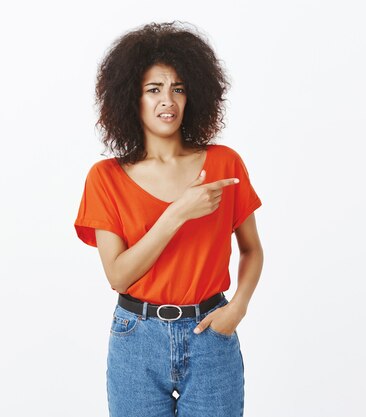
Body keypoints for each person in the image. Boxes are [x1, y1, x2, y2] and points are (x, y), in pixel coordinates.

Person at [73, 21, 264, 417]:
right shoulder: (105, 177)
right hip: (136, 340)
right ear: (131, 98)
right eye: (153, 89)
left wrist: (237, 310)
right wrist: (178, 212)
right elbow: (118, 276)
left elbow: (252, 250)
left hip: (211, 334)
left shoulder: (223, 164)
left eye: (178, 88)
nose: (168, 101)